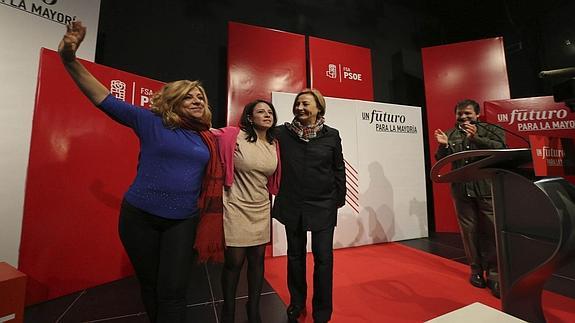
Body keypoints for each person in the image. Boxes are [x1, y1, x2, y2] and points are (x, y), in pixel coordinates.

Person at [58, 22, 224, 322]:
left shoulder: (208, 136)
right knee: (149, 285)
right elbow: (102, 97)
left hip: (182, 221)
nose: (198, 99)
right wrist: (69, 60)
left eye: (200, 96)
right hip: (139, 218)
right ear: (173, 101)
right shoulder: (150, 121)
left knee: (173, 291)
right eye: (189, 96)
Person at [273, 89, 346, 323]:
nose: (300, 107)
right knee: (295, 256)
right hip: (292, 202)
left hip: (323, 204)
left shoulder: (332, 135)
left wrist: (338, 198)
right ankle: (297, 303)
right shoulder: (281, 133)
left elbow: (338, 168)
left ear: (318, 109)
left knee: (324, 258)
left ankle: (322, 311)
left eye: (305, 104)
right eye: (297, 103)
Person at [212, 100, 281, 323]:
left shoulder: (274, 143)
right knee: (234, 261)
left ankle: (253, 307)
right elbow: (208, 133)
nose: (267, 115)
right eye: (261, 111)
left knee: (258, 260)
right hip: (235, 204)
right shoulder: (233, 135)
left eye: (270, 112)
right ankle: (228, 308)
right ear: (250, 117)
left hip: (261, 206)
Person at [434, 99, 506, 298]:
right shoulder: (449, 134)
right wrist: (443, 147)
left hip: (486, 189)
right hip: (461, 191)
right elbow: (440, 160)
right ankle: (475, 271)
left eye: (467, 113)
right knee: (469, 232)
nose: (463, 117)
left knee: (491, 232)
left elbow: (501, 149)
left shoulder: (491, 130)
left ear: (477, 114)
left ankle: (495, 275)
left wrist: (477, 139)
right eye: (460, 114)